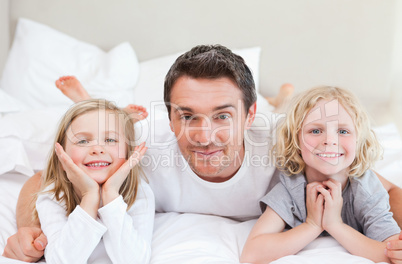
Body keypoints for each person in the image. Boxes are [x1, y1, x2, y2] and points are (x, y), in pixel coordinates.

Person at [3, 45, 402, 263]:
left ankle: (277, 97)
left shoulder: (290, 141)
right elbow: (45, 180)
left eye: (222, 116)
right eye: (187, 115)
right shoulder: (141, 147)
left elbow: (384, 188)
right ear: (169, 117)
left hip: (272, 115)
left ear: (249, 116)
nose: (204, 136)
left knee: (283, 106)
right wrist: (30, 232)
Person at [241, 86, 401, 263]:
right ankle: (279, 101)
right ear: (296, 140)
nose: (330, 141)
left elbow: (393, 254)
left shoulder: (367, 188)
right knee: (275, 116)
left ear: (359, 139)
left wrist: (335, 225)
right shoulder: (291, 186)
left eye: (343, 131)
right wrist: (313, 224)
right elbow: (252, 254)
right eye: (315, 131)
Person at [35, 99, 153, 264]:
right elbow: (61, 261)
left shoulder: (139, 192)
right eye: (83, 141)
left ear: (128, 153)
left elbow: (135, 260)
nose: (97, 149)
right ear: (62, 156)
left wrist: (110, 195)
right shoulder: (53, 196)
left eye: (110, 140)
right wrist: (89, 196)